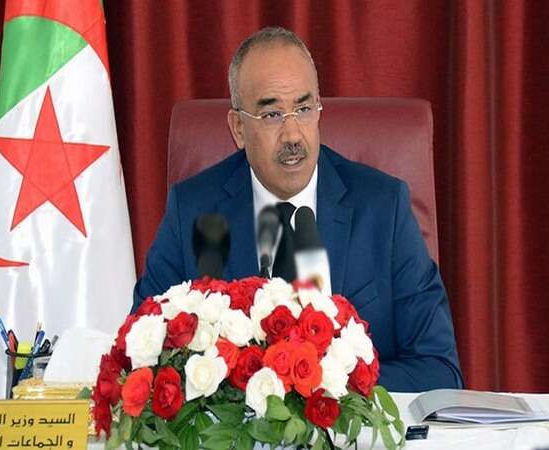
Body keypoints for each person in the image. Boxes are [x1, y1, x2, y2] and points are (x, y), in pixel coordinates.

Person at [133, 27, 463, 392]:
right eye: (272, 115)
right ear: (238, 128)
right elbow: (142, 358)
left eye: (304, 109)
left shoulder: (384, 209)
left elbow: (439, 369)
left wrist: (329, 383)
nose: (292, 135)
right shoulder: (192, 211)